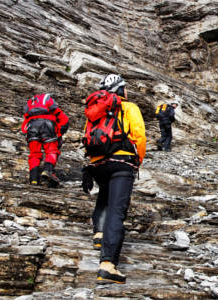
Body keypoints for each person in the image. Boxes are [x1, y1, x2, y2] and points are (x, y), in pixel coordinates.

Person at [81, 74, 146, 285]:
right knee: (117, 211)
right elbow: (139, 135)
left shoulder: (95, 110)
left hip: (97, 163)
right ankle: (108, 265)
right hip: (121, 162)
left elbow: (87, 135)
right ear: (120, 90)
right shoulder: (128, 108)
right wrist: (137, 160)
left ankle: (99, 235)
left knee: (104, 195)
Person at [21, 93, 69, 186]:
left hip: (31, 127)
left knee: (34, 153)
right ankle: (48, 171)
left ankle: (33, 179)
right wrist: (59, 134)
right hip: (48, 126)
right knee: (51, 151)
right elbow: (64, 120)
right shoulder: (53, 110)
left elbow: (24, 123)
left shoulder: (31, 112)